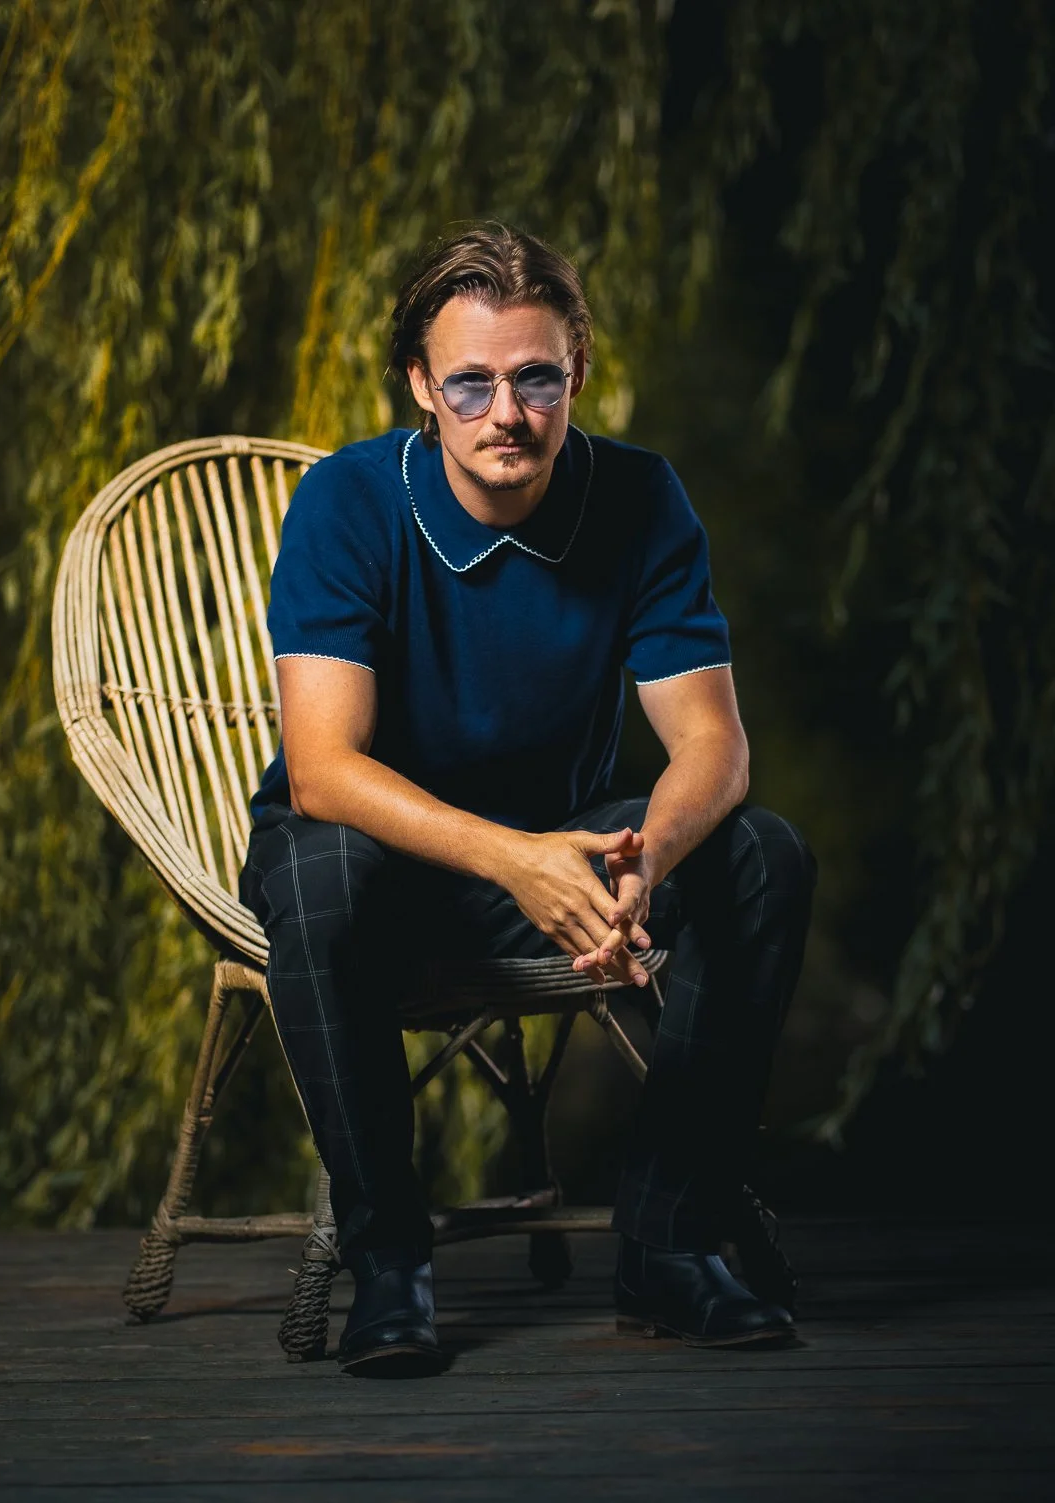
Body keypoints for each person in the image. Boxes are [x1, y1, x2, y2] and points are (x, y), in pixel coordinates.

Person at [240, 222, 816, 1375]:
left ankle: (667, 1245)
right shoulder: (352, 504)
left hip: (566, 848)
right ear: (423, 386)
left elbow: (713, 743)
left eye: (536, 377)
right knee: (315, 865)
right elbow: (323, 770)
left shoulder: (643, 499)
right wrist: (518, 859)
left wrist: (647, 856)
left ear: (577, 376)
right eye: (472, 382)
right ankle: (390, 1268)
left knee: (762, 854)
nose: (508, 412)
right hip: (389, 859)